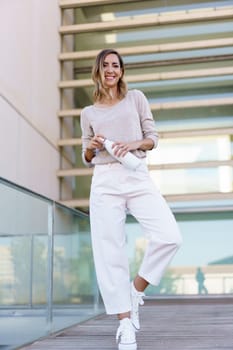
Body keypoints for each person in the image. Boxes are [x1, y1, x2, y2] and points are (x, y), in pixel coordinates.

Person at [80, 48, 182, 350]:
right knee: (109, 250)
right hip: (105, 181)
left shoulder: (136, 98)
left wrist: (133, 143)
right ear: (98, 71)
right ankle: (125, 324)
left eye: (116, 65)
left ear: (121, 71)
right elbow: (86, 155)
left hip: (136, 173)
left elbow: (153, 136)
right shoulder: (89, 112)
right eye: (105, 65)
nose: (110, 70)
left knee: (169, 236)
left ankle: (135, 291)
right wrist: (94, 146)